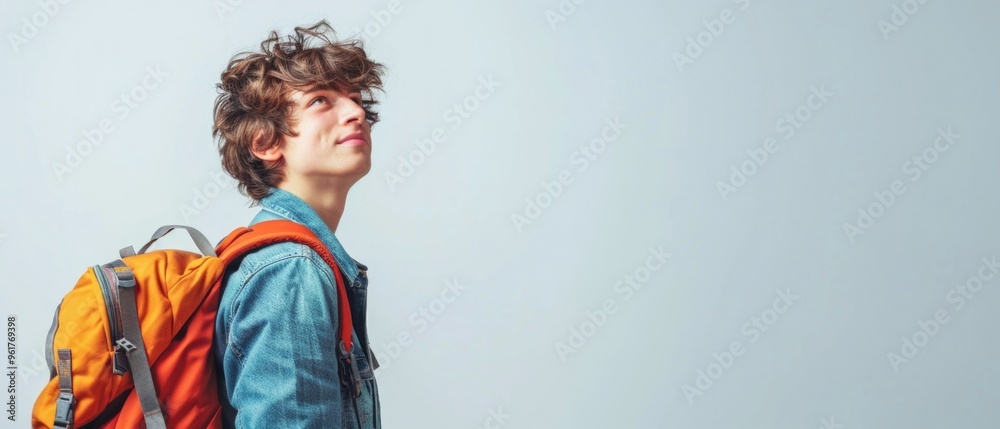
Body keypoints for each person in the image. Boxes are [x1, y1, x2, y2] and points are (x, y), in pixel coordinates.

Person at [210, 20, 387, 428]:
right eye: (321, 101)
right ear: (265, 143)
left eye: (357, 99)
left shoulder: (291, 258)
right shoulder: (290, 269)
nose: (356, 113)